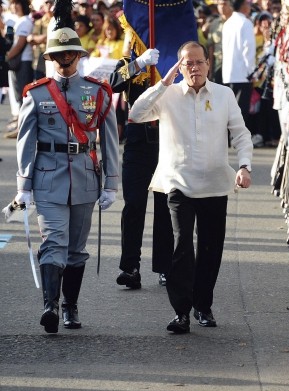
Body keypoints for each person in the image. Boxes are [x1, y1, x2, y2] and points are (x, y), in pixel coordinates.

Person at [128, 41, 253, 334]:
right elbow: (136, 113)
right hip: (177, 183)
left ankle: (203, 305)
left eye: (199, 62)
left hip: (214, 184)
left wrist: (245, 165)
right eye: (187, 63)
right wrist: (163, 83)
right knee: (181, 245)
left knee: (210, 248)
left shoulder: (223, 95)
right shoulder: (168, 94)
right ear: (179, 67)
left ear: (208, 64)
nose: (194, 68)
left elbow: (241, 133)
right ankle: (181, 311)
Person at [13, 1, 119, 334]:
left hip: (85, 177)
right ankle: (50, 306)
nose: (64, 60)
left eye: (69, 54)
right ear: (51, 58)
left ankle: (70, 305)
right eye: (58, 55)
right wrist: (23, 186)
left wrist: (111, 183)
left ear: (78, 55)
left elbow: (110, 139)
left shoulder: (98, 92)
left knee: (76, 250)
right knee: (53, 243)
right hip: (48, 177)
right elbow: (26, 141)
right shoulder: (37, 94)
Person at [109, 48, 174, 289]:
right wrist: (139, 63)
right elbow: (112, 84)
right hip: (138, 141)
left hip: (168, 139)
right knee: (134, 205)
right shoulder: (129, 62)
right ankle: (130, 267)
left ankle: (166, 266)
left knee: (165, 207)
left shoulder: (173, 57)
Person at [221, 0, 256, 130]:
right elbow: (248, 50)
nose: (250, 6)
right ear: (243, 6)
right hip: (243, 73)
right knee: (241, 110)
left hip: (228, 73)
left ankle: (229, 138)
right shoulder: (246, 23)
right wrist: (252, 71)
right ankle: (239, 139)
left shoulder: (227, 23)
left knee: (229, 109)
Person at [5, 0, 34, 139]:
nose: (14, 6)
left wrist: (6, 57)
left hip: (23, 62)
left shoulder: (25, 21)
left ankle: (22, 128)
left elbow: (20, 43)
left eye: (17, 3)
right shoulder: (17, 21)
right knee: (18, 96)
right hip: (17, 62)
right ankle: (19, 126)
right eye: (13, 3)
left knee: (23, 96)